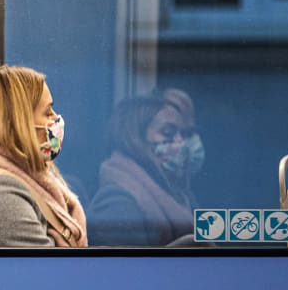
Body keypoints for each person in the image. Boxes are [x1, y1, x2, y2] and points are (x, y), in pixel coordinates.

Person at [0, 65, 87, 247]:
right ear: (19, 123)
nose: (56, 119)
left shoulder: (26, 180)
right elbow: (52, 271)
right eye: (47, 112)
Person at [86, 88, 203, 247]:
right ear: (135, 138)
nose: (180, 142)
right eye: (168, 132)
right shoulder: (118, 203)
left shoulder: (180, 195)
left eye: (182, 134)